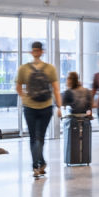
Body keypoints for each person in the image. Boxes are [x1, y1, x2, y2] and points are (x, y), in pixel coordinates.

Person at [15, 41, 62, 179]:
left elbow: (18, 87)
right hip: (46, 106)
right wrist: (59, 106)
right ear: (42, 52)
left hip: (30, 107)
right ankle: (39, 163)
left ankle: (37, 165)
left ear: (33, 52)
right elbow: (56, 88)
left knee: (34, 137)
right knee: (39, 137)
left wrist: (24, 97)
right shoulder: (50, 68)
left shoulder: (24, 68)